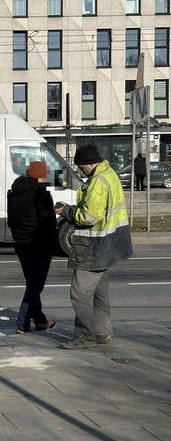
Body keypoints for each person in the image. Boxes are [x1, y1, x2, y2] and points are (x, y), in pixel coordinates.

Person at [54, 144, 133, 349]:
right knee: (100, 293)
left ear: (90, 163)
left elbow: (89, 216)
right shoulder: (110, 174)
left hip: (94, 246)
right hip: (110, 244)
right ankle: (103, 333)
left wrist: (66, 211)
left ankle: (85, 336)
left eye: (81, 167)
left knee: (79, 293)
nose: (80, 171)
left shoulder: (98, 182)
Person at [7, 161, 57, 334]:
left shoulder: (14, 193)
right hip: (39, 244)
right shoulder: (40, 193)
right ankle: (22, 323)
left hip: (21, 244)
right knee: (36, 286)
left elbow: (11, 221)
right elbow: (48, 223)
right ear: (41, 175)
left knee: (32, 283)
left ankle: (40, 320)